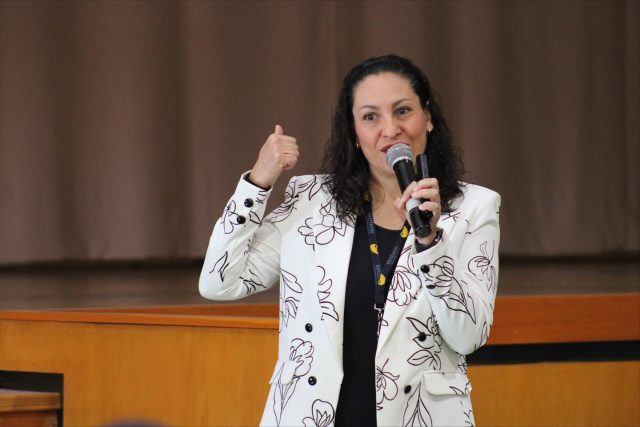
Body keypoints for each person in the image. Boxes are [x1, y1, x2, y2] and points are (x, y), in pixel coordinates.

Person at [199, 54, 500, 427]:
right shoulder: (312, 202)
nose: (390, 129)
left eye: (402, 111)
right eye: (370, 117)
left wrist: (430, 243)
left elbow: (468, 336)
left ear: (427, 117)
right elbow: (219, 282)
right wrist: (257, 183)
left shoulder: (473, 208)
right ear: (354, 133)